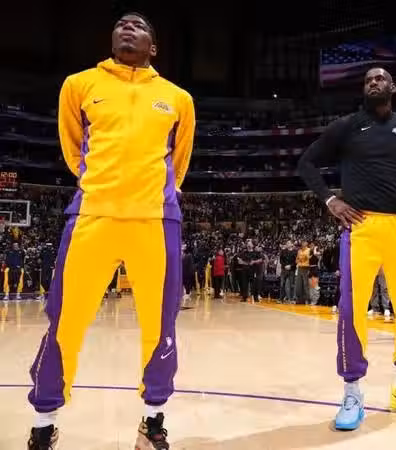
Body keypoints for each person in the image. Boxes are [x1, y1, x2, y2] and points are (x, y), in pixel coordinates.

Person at [26, 12, 195, 450]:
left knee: (160, 325)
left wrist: (152, 196)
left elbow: (179, 162)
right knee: (64, 321)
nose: (128, 28)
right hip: (92, 216)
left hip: (156, 222)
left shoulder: (178, 98)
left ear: (153, 47)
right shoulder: (79, 84)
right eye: (121, 24)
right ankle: (44, 423)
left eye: (139, 26)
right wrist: (102, 188)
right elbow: (73, 150)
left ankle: (152, 422)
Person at [297, 67, 396, 431]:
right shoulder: (346, 126)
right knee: (352, 310)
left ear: (393, 86)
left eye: (380, 79)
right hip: (361, 227)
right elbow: (306, 163)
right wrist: (330, 199)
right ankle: (352, 392)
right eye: (368, 80)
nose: (373, 83)